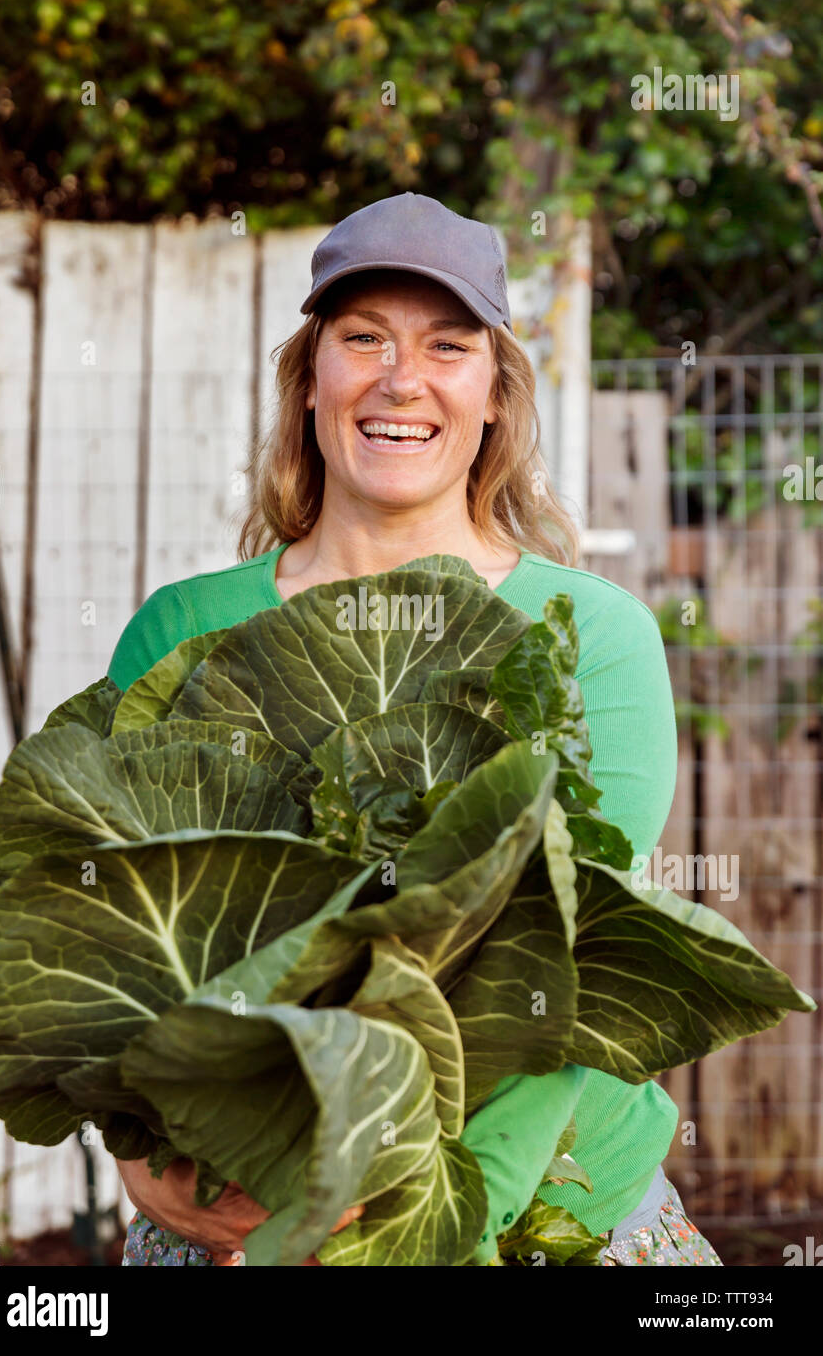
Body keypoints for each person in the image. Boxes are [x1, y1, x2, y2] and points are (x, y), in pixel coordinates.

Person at [109, 192, 722, 1267]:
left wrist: (418, 1225)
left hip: (545, 1211)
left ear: (493, 395)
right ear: (309, 382)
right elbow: (116, 930)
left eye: (447, 344)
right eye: (363, 340)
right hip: (234, 1208)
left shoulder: (595, 638)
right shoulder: (184, 629)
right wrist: (138, 1162)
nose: (402, 379)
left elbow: (560, 978)